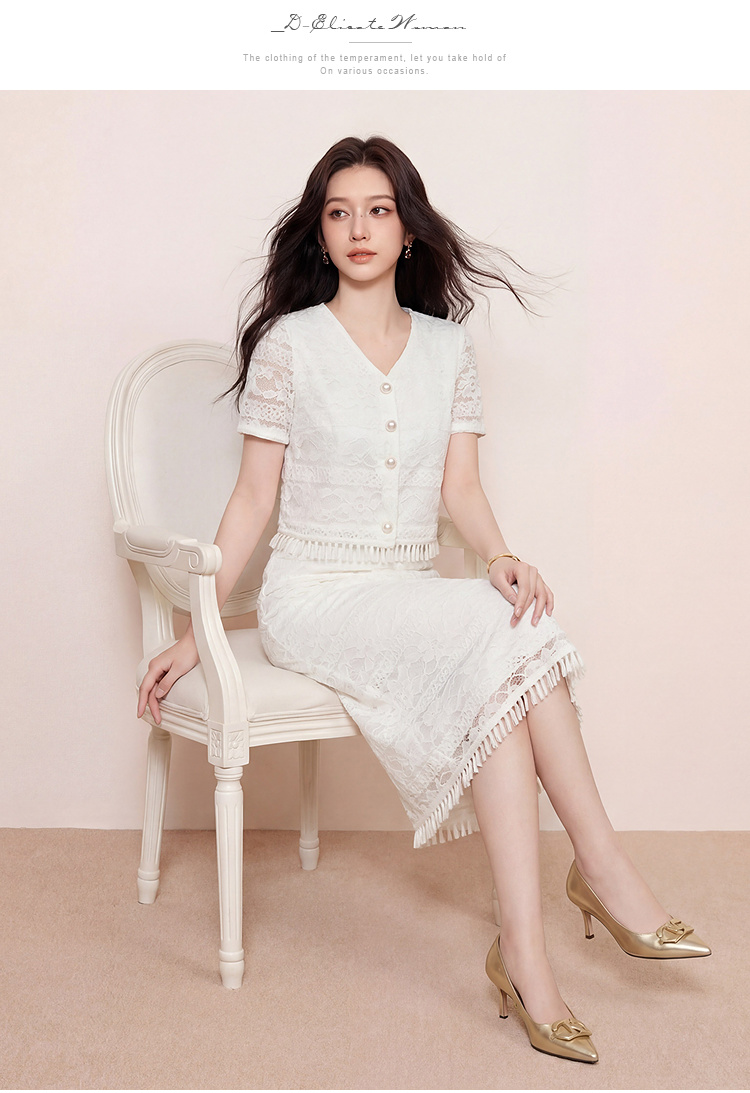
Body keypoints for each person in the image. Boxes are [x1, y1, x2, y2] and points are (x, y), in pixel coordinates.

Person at [137, 135, 710, 1063]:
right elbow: (250, 502)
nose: (359, 228)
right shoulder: (291, 345)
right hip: (314, 597)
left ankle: (527, 950)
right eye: (339, 212)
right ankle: (600, 871)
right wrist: (199, 631)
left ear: (408, 230)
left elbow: (462, 491)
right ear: (321, 235)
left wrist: (500, 556)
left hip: (404, 590)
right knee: (501, 640)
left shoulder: (448, 349)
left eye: (379, 210)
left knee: (512, 633)